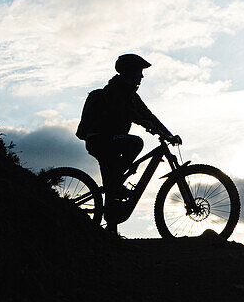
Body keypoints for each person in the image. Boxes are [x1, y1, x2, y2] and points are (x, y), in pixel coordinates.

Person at [76, 54, 180, 237]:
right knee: (135, 143)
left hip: (109, 141)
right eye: (139, 72)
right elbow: (126, 111)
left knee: (112, 181)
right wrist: (144, 123)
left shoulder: (130, 95)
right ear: (129, 72)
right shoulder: (115, 90)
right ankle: (115, 185)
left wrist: (168, 134)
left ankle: (111, 228)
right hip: (101, 139)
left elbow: (149, 115)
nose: (141, 77)